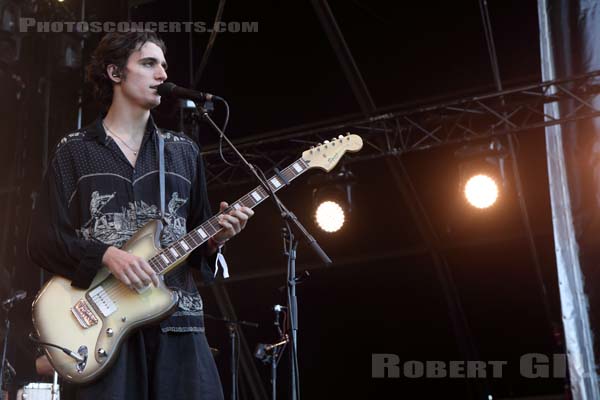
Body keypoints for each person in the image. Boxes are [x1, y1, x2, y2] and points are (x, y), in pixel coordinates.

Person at [27, 30, 253, 400]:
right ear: (115, 73)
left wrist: (216, 239)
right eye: (148, 64)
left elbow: (196, 242)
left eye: (164, 65)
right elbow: (42, 240)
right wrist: (104, 254)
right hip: (102, 330)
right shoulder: (74, 151)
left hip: (179, 327)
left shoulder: (183, 152)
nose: (162, 74)